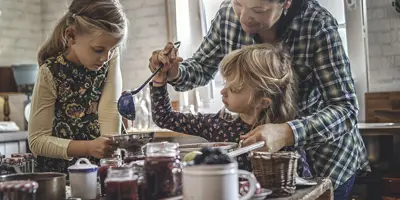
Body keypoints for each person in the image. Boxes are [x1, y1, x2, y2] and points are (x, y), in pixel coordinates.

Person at [149, 0, 370, 199]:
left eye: (258, 10)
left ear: (286, 3)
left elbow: (345, 108)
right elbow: (198, 68)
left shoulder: (317, 25)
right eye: (238, 3)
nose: (243, 17)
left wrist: (287, 133)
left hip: (326, 161)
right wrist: (173, 72)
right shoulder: (228, 15)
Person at [150, 43, 312, 177]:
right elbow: (164, 117)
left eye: (234, 89)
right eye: (225, 83)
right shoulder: (217, 124)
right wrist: (159, 82)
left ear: (263, 102)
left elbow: (303, 184)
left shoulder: (283, 138)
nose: (223, 91)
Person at [28, 0, 127, 174]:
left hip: (100, 168)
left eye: (113, 49)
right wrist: (88, 148)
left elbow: (110, 110)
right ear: (71, 36)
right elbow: (37, 141)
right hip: (60, 174)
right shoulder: (50, 72)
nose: (105, 57)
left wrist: (110, 160)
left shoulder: (108, 56)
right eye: (98, 50)